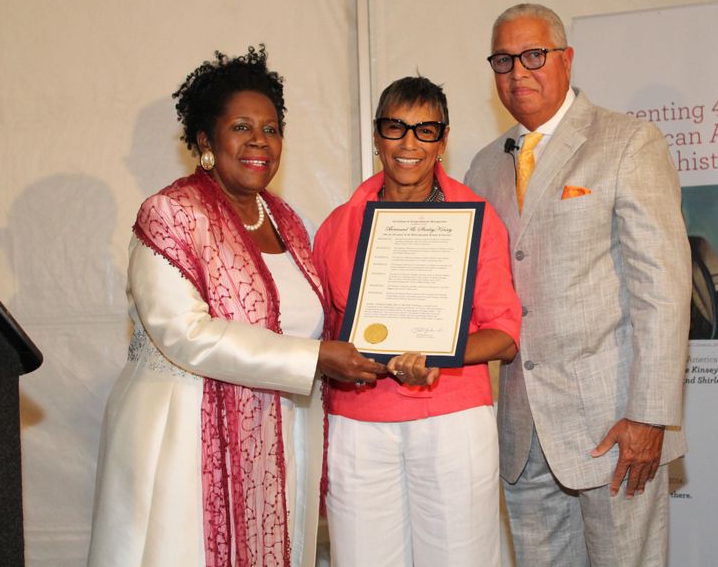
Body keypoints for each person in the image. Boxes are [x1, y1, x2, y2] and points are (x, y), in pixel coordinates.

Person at [88, 46, 384, 567]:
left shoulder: (286, 220)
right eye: (242, 127)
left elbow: (310, 321)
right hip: (184, 441)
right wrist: (315, 359)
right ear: (206, 139)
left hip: (275, 441)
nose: (259, 143)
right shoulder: (171, 214)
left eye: (271, 129)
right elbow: (185, 334)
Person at [465, 4, 692, 567]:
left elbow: (663, 290)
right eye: (503, 60)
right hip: (521, 429)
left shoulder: (627, 143)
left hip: (615, 424)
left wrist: (650, 415)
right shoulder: (483, 167)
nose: (518, 72)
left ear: (566, 59)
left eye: (533, 55)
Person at [313, 76, 521, 567]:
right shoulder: (337, 226)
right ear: (376, 135)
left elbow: (505, 335)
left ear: (443, 139)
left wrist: (436, 353)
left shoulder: (475, 217)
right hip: (360, 423)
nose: (409, 144)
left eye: (425, 130)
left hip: (451, 419)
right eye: (396, 128)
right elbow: (321, 333)